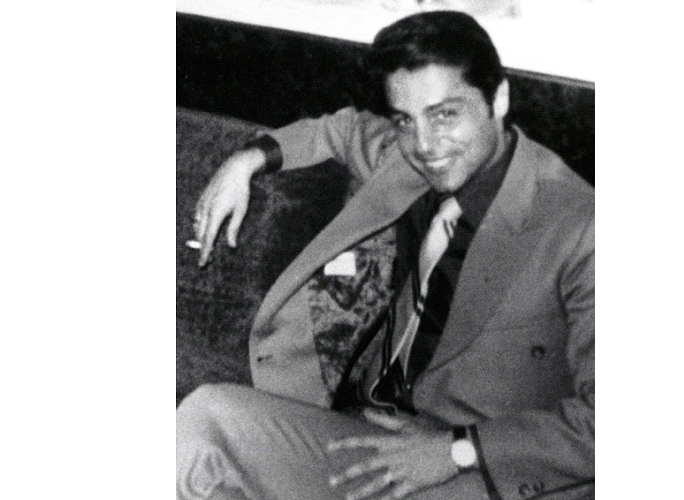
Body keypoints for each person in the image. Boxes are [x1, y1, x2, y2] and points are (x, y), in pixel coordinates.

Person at [178, 10, 594, 500]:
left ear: (498, 98)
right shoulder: (410, 161)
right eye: (405, 120)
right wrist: (248, 159)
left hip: (488, 472)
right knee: (201, 424)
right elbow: (340, 130)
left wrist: (456, 451)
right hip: (377, 437)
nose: (424, 144)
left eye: (445, 115)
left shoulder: (580, 227)